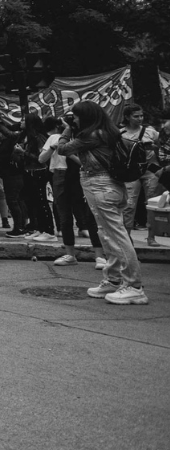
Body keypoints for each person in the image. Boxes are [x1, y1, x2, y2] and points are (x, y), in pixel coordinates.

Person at [58, 101, 147, 304]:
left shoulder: (92, 135)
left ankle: (134, 286)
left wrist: (67, 128)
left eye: (76, 117)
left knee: (116, 236)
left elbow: (62, 149)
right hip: (109, 186)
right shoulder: (106, 131)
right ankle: (114, 280)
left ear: (86, 117)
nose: (74, 120)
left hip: (101, 186)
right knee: (107, 235)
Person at [41, 114, 104, 268]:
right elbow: (41, 159)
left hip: (82, 175)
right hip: (60, 175)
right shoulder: (55, 138)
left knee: (90, 215)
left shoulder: (86, 138)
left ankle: (100, 256)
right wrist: (54, 147)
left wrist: (68, 152)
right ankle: (70, 254)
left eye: (74, 119)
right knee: (64, 216)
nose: (72, 123)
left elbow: (87, 163)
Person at [119, 103, 159, 243]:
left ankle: (151, 237)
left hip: (150, 169)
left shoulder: (151, 132)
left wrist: (152, 148)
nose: (140, 118)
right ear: (127, 117)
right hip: (131, 171)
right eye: (136, 116)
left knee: (152, 204)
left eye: (141, 116)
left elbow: (161, 148)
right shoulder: (120, 133)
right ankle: (127, 238)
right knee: (129, 204)